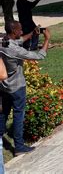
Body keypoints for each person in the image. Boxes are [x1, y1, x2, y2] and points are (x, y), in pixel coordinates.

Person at [0, 21, 50, 156]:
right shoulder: (15, 50)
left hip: (4, 86)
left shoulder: (2, 41)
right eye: (20, 30)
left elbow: (19, 40)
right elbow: (39, 56)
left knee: (4, 113)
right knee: (18, 116)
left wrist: (32, 34)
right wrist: (46, 39)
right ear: (14, 31)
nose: (21, 32)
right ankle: (19, 147)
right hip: (17, 88)